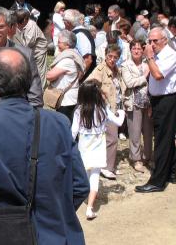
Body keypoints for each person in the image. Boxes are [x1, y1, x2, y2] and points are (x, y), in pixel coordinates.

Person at [0, 47, 89, 245]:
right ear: (29, 83)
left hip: (0, 236)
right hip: (56, 235)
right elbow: (80, 185)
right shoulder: (58, 123)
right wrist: (53, 215)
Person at [135, 27, 176, 193]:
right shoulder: (158, 55)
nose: (151, 44)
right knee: (165, 137)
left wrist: (149, 58)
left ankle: (157, 180)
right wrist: (149, 101)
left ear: (165, 40)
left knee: (162, 140)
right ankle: (171, 172)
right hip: (157, 100)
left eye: (155, 41)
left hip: (167, 100)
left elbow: (158, 75)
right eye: (149, 41)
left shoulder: (170, 55)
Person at [72, 80, 125, 219]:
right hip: (98, 150)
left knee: (80, 175)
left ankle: (72, 203)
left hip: (83, 148)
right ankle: (90, 208)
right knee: (94, 178)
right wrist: (121, 112)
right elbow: (119, 122)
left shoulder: (79, 110)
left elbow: (73, 132)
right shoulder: (103, 109)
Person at [86, 44, 124, 180]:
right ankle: (107, 168)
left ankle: (110, 166)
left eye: (116, 57)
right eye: (110, 56)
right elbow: (88, 84)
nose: (112, 59)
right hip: (105, 109)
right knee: (112, 138)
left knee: (111, 138)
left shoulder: (116, 70)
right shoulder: (100, 69)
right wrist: (100, 94)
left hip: (115, 107)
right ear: (106, 55)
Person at [120, 40, 153, 173]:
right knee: (134, 132)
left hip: (148, 102)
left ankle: (148, 156)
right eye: (134, 48)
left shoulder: (148, 64)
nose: (137, 51)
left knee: (148, 131)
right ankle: (136, 158)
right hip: (133, 102)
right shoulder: (126, 65)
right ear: (130, 50)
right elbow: (129, 83)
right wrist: (145, 76)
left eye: (139, 48)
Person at [45, 30, 85, 121]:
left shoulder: (67, 60)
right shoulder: (76, 55)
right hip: (71, 97)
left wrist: (48, 71)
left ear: (67, 45)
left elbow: (49, 76)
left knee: (64, 126)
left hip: (66, 100)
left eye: (59, 42)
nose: (57, 44)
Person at [16, 8, 48, 88]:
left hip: (39, 52)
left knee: (40, 73)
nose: (17, 24)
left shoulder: (31, 26)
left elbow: (27, 44)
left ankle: (41, 91)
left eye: (19, 22)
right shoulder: (22, 24)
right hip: (31, 52)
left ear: (24, 20)